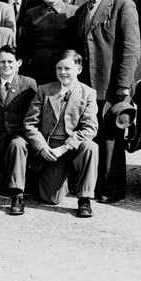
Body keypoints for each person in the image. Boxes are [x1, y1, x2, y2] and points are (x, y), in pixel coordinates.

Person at [75, 0, 140, 204]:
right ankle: (93, 184)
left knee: (111, 138)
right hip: (87, 86)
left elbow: (131, 49)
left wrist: (123, 85)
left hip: (111, 85)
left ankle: (113, 189)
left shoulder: (123, 5)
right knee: (91, 136)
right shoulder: (82, 10)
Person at [24, 50, 99, 218]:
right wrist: (42, 148)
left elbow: (90, 128)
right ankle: (65, 177)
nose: (63, 72)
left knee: (91, 147)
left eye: (67, 68)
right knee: (51, 199)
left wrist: (65, 147)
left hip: (73, 146)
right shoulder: (44, 90)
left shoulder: (88, 93)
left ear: (79, 69)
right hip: (50, 148)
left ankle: (84, 200)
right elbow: (30, 123)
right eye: (59, 68)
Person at [0, 46, 37, 214]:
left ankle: (17, 196)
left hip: (20, 140)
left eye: (10, 61)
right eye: (2, 62)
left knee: (17, 144)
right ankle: (8, 185)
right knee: (0, 187)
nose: (6, 65)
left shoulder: (28, 84)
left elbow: (34, 116)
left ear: (18, 63)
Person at [17, 0, 78, 85]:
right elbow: (24, 46)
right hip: (38, 73)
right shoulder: (31, 14)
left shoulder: (74, 12)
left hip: (65, 73)